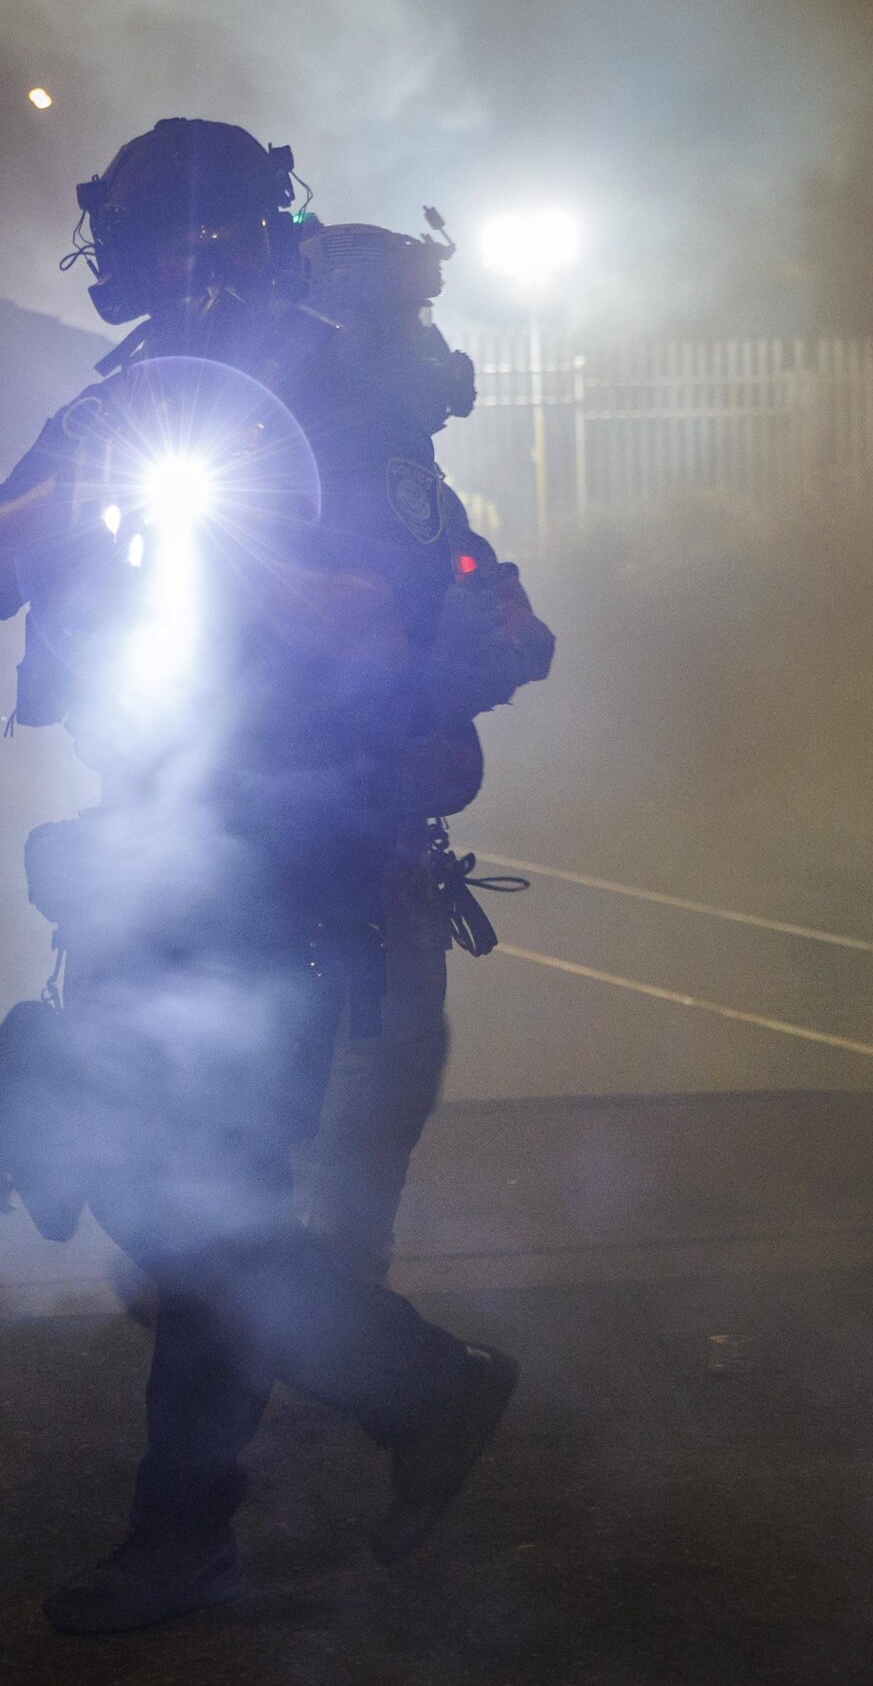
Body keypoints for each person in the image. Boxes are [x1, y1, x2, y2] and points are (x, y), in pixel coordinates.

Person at [0, 120, 515, 1635]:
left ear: (212, 233)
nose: (116, 255)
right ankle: (413, 1386)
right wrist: (100, 495)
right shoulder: (125, 397)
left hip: (295, 861)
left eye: (139, 225)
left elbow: (390, 626)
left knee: (200, 1194)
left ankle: (197, 1525)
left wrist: (237, 545)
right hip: (151, 855)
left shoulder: (338, 401)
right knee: (143, 1175)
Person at [285, 219, 554, 1282]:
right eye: (414, 314)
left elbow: (476, 581)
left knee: (365, 1061)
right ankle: (327, 1307)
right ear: (354, 320)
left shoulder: (380, 462)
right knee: (372, 1057)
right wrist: (442, 671)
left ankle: (315, 1293)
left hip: (347, 811)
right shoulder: (341, 455)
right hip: (334, 812)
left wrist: (499, 623)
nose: (432, 344)